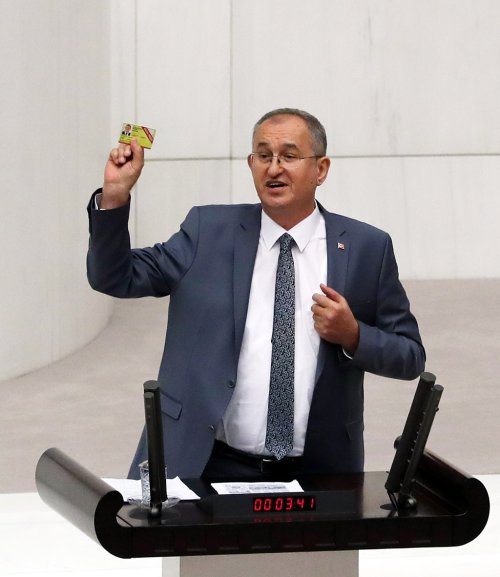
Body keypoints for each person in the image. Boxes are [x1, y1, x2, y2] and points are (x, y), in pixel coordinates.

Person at [87, 108, 425, 481]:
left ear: (321, 169)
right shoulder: (207, 232)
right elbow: (114, 277)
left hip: (319, 474)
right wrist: (114, 197)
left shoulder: (366, 248)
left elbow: (410, 356)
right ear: (251, 164)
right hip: (205, 466)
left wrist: (354, 335)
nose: (274, 168)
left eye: (289, 156)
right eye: (263, 156)